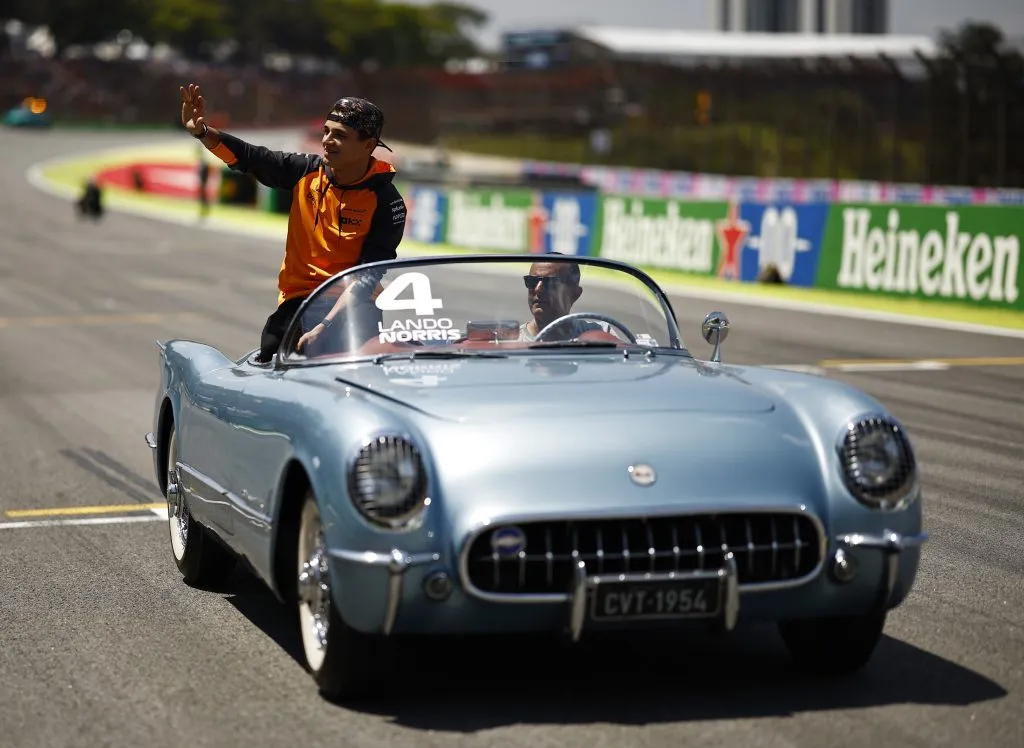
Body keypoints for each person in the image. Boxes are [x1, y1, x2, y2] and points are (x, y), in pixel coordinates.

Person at [179, 83, 407, 362]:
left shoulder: (387, 201)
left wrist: (324, 326)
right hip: (299, 299)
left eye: (340, 135)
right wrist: (202, 132)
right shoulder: (306, 172)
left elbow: (366, 277)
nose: (326, 141)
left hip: (354, 305)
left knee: (351, 374)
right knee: (269, 359)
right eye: (325, 131)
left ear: (369, 145)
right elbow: (251, 158)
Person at [518, 258, 604, 342]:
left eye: (551, 283)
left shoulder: (600, 333)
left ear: (574, 294)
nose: (538, 289)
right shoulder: (512, 341)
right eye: (532, 281)